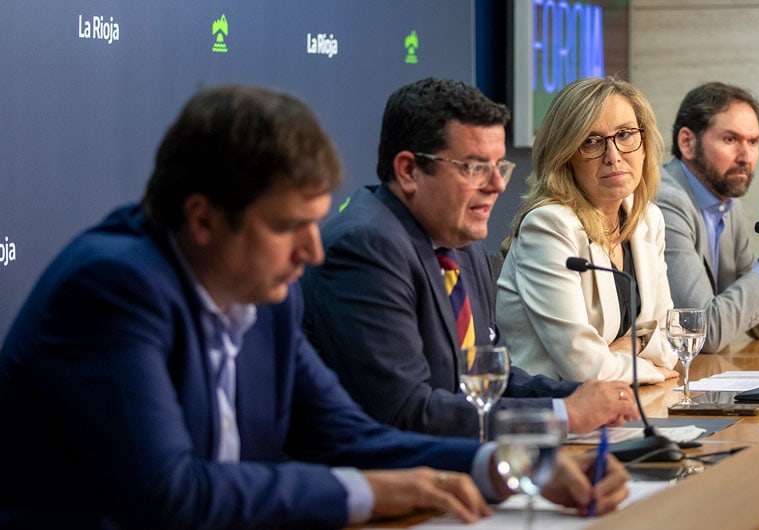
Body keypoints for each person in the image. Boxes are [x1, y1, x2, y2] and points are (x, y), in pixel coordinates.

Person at [0, 85, 630, 528]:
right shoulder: (114, 289)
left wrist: (507, 463)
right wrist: (361, 489)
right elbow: (171, 495)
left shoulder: (265, 294)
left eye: (315, 224)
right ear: (202, 218)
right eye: (287, 227)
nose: (311, 251)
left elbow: (345, 432)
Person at [300, 78, 637, 439]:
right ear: (409, 171)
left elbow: (493, 378)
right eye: (475, 167)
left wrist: (580, 397)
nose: (497, 185)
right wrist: (561, 415)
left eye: (498, 166)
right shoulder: (366, 248)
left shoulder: (461, 241)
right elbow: (406, 413)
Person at [495, 76, 679, 385]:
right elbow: (585, 370)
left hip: (623, 405)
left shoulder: (647, 218)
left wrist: (621, 351)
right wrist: (652, 368)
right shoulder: (549, 226)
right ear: (565, 156)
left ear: (644, 145)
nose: (613, 155)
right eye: (591, 142)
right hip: (553, 415)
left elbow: (671, 340)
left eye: (625, 134)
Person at [656, 82, 759, 352]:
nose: (746, 157)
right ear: (687, 142)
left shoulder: (727, 204)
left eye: (753, 142)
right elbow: (701, 333)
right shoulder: (665, 202)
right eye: (730, 140)